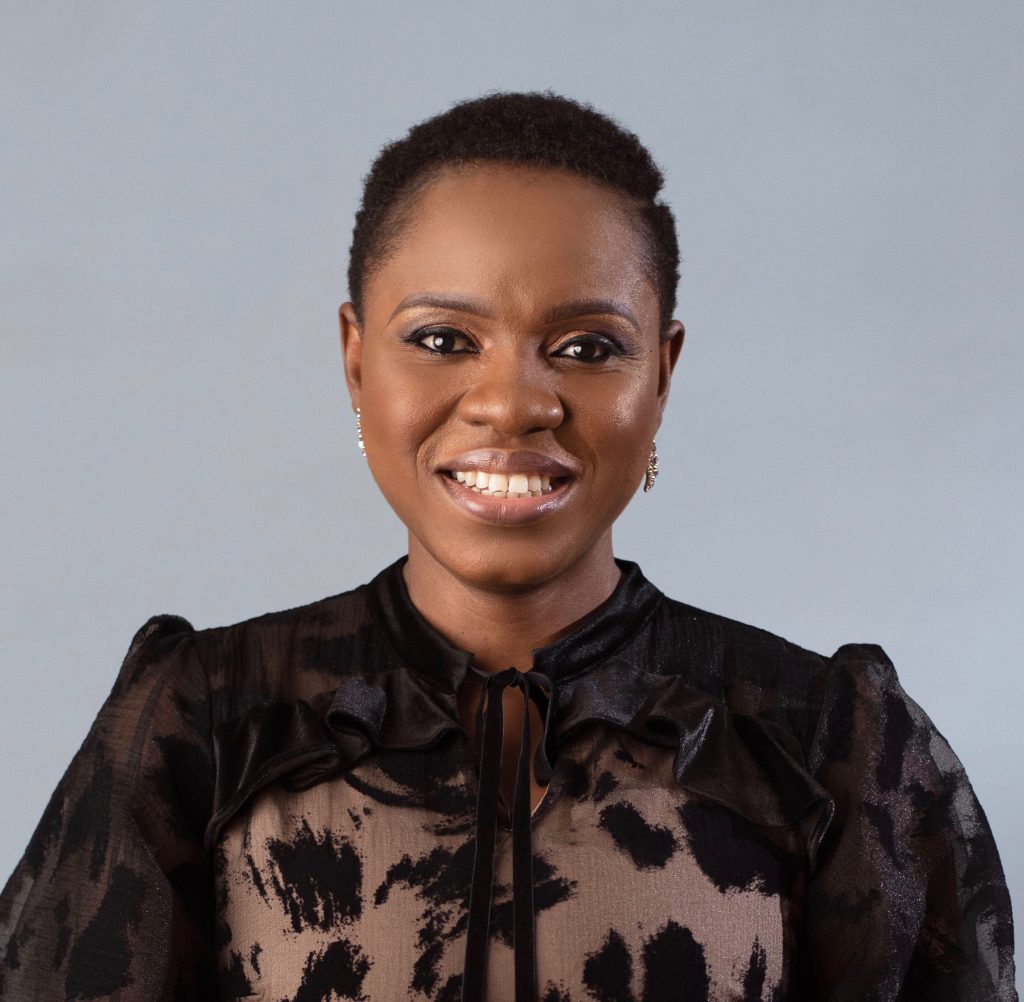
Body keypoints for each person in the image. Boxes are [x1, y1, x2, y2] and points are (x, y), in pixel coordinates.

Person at [0, 91, 1016, 1002]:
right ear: (356, 358)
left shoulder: (828, 744)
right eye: (443, 340)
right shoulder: (209, 721)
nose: (513, 402)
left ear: (661, 375)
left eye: (587, 348)